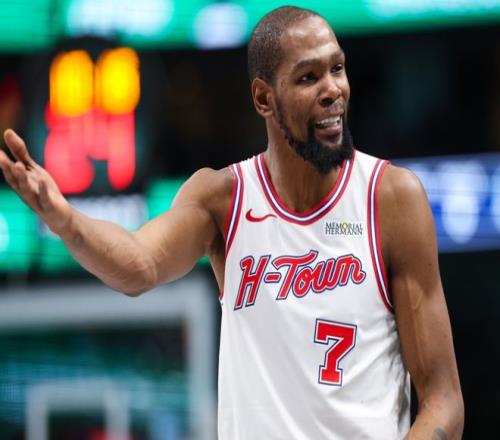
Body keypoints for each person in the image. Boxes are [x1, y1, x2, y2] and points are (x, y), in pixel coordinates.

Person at [0, 6, 463, 440]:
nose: (332, 90)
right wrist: (65, 221)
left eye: (337, 69)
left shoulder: (390, 199)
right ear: (263, 98)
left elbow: (443, 402)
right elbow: (138, 266)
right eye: (308, 77)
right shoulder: (223, 199)